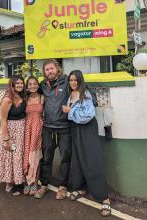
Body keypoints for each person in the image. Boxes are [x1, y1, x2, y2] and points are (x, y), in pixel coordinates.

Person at [62, 70, 111, 217]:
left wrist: (70, 111)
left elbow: (88, 115)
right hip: (75, 129)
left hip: (87, 128)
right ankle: (80, 187)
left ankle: (105, 198)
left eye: (76, 80)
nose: (73, 82)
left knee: (92, 160)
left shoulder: (86, 94)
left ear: (80, 80)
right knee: (77, 158)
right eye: (71, 80)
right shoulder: (70, 95)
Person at [34, 59, 71, 200]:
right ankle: (44, 184)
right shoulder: (42, 85)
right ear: (44, 72)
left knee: (65, 157)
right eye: (47, 70)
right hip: (48, 128)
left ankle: (62, 186)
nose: (49, 71)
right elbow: (27, 92)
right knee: (47, 157)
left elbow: (81, 91)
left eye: (51, 68)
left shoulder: (67, 81)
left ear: (57, 68)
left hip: (64, 128)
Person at [0, 75, 26, 195]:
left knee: (18, 156)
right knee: (9, 155)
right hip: (10, 132)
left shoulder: (23, 96)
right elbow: (3, 120)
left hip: (21, 131)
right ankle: (9, 184)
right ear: (12, 85)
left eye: (21, 83)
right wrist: (6, 139)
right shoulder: (7, 99)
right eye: (17, 83)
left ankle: (17, 180)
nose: (19, 85)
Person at [23, 76, 44, 195]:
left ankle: (35, 183)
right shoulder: (24, 99)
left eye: (34, 83)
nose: (32, 86)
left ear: (38, 85)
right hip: (27, 130)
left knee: (36, 156)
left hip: (38, 130)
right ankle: (27, 183)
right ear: (27, 86)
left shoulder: (42, 98)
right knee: (26, 155)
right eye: (30, 84)